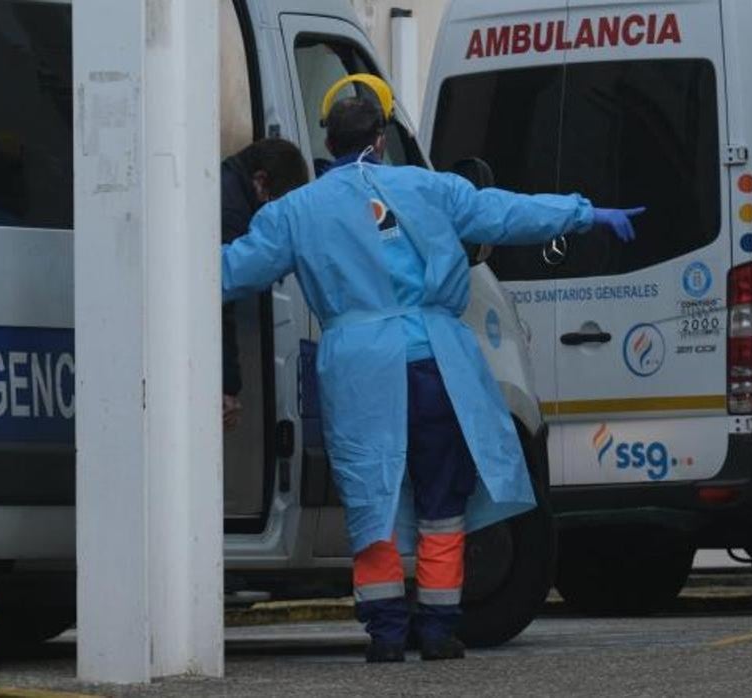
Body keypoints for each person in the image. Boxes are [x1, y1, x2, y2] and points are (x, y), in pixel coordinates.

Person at [222, 74, 643, 663]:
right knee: (443, 498)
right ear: (380, 138)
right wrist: (585, 213)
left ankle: (387, 633)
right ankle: (440, 629)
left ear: (329, 142)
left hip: (360, 369)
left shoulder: (296, 211)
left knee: (374, 494)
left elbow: (231, 271)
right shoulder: (430, 188)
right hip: (436, 364)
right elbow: (504, 213)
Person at [219, 138, 309, 430]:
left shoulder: (226, 186)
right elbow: (217, 299)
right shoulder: (230, 209)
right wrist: (227, 383)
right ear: (260, 181)